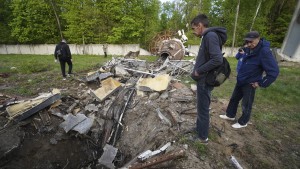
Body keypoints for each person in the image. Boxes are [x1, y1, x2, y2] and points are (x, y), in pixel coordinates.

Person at [219, 31, 279, 128]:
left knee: (246, 104)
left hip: (250, 83)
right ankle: (230, 115)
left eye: (251, 42)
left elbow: (274, 71)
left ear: (258, 39)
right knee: (234, 99)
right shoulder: (249, 48)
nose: (248, 44)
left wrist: (260, 83)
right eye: (247, 41)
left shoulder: (264, 52)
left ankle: (243, 122)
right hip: (241, 80)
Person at [190, 14, 227, 144]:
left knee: (203, 109)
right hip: (204, 78)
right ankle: (199, 129)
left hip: (205, 79)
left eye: (194, 28)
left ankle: (202, 137)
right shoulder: (208, 36)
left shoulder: (210, 36)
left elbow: (217, 59)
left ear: (200, 26)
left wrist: (199, 70)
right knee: (201, 107)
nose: (194, 32)